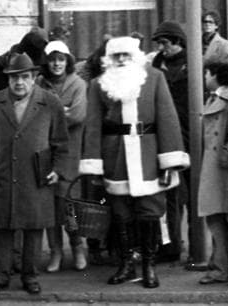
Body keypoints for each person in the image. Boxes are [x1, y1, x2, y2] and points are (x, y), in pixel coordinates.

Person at [79, 36, 189, 288]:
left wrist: (170, 161)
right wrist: (93, 164)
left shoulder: (154, 78)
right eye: (116, 56)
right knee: (120, 213)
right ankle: (127, 264)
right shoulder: (98, 84)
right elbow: (93, 126)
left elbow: (168, 119)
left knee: (150, 211)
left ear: (135, 56)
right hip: (114, 154)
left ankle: (149, 265)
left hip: (148, 153)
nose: (121, 60)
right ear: (108, 58)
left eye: (125, 55)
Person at [0, 53, 70, 296]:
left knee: (33, 226)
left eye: (25, 77)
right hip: (4, 172)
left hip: (36, 173)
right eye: (14, 78)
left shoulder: (50, 102)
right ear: (7, 80)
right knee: (2, 226)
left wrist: (57, 170)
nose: (19, 83)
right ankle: (1, 275)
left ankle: (30, 275)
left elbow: (61, 142)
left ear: (34, 78)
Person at [36, 40, 88, 272]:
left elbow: (77, 115)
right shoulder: (39, 82)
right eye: (52, 59)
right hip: (44, 153)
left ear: (68, 61)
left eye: (61, 59)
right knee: (49, 206)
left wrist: (51, 113)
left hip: (69, 153)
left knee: (69, 205)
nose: (56, 63)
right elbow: (32, 114)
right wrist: (61, 111)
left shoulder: (78, 84)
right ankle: (55, 250)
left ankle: (77, 247)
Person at [197, 57, 228, 286]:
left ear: (215, 75)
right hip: (220, 168)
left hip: (227, 168)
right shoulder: (221, 97)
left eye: (207, 73)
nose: (205, 77)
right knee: (220, 218)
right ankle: (223, 267)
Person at [150, 21, 190, 264]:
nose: (162, 48)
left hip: (190, 133)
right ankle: (170, 246)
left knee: (191, 196)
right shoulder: (156, 64)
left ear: (178, 42)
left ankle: (197, 249)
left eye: (165, 43)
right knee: (171, 194)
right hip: (166, 135)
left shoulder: (193, 63)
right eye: (160, 43)